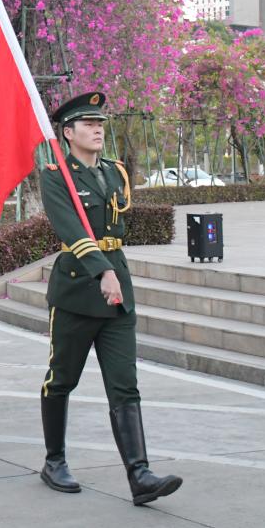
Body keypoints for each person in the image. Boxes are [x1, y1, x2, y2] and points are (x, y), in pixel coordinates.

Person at [38, 92, 181, 505]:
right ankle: (54, 461)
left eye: (100, 123)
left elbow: (114, 229)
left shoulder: (115, 172)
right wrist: (102, 271)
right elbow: (70, 229)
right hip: (77, 290)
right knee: (61, 380)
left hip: (118, 290)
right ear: (68, 133)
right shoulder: (56, 175)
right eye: (88, 124)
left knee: (125, 385)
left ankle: (140, 475)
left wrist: (111, 271)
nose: (98, 129)